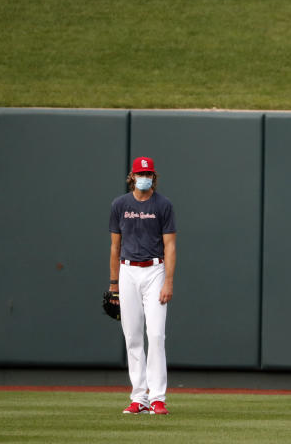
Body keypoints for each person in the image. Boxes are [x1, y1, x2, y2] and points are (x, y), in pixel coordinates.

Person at [108, 156, 177, 415]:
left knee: (157, 335)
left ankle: (158, 397)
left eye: (148, 174)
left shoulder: (164, 205)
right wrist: (114, 284)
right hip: (127, 271)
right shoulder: (119, 205)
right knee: (133, 336)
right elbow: (115, 247)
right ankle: (139, 397)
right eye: (140, 173)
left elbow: (170, 245)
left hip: (155, 269)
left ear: (153, 176)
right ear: (132, 176)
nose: (144, 177)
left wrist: (168, 280)